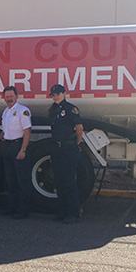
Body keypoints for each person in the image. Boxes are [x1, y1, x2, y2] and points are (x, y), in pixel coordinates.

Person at [0, 86, 32, 219]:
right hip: (7, 146)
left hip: (18, 145)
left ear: (16, 96)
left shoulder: (23, 111)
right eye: (7, 97)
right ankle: (12, 207)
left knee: (22, 180)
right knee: (11, 180)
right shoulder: (5, 112)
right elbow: (6, 129)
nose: (9, 99)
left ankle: (23, 210)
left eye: (11, 96)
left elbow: (27, 131)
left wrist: (23, 150)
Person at [49, 84, 84, 224]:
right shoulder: (53, 109)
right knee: (59, 182)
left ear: (64, 93)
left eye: (58, 93)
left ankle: (73, 213)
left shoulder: (71, 108)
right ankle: (62, 211)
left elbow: (79, 128)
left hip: (69, 149)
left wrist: (76, 143)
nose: (55, 96)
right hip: (57, 149)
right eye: (53, 94)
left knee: (69, 182)